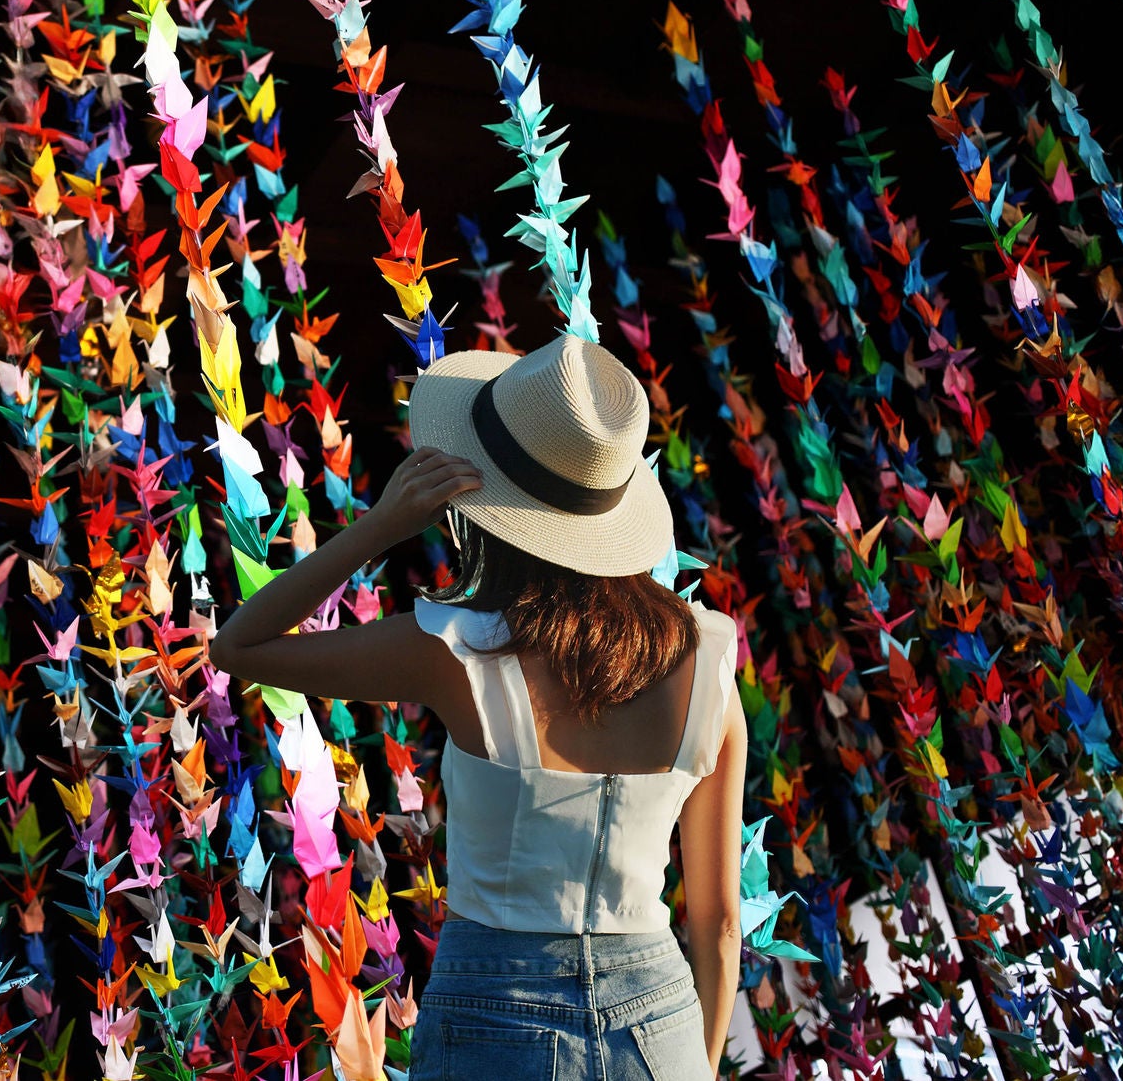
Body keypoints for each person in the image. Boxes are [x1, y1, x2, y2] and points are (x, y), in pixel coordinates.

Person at [210, 333, 749, 1079]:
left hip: (497, 1009)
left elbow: (240, 645)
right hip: (660, 1018)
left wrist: (379, 526)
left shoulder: (455, 649)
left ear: (488, 500)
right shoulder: (710, 657)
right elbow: (720, 924)